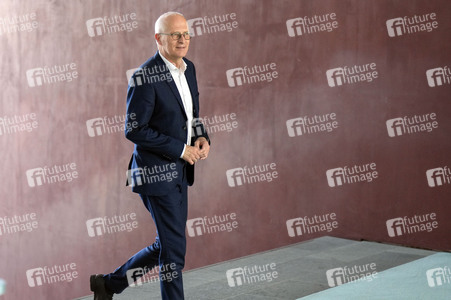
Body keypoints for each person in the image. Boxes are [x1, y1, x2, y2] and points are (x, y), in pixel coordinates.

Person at [90, 11, 210, 300]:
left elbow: (191, 115)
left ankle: (109, 284)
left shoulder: (189, 68)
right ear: (158, 38)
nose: (182, 40)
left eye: (186, 34)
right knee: (173, 254)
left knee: (167, 245)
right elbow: (134, 130)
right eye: (175, 35)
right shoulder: (145, 76)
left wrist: (202, 136)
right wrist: (182, 149)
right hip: (156, 173)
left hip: (181, 172)